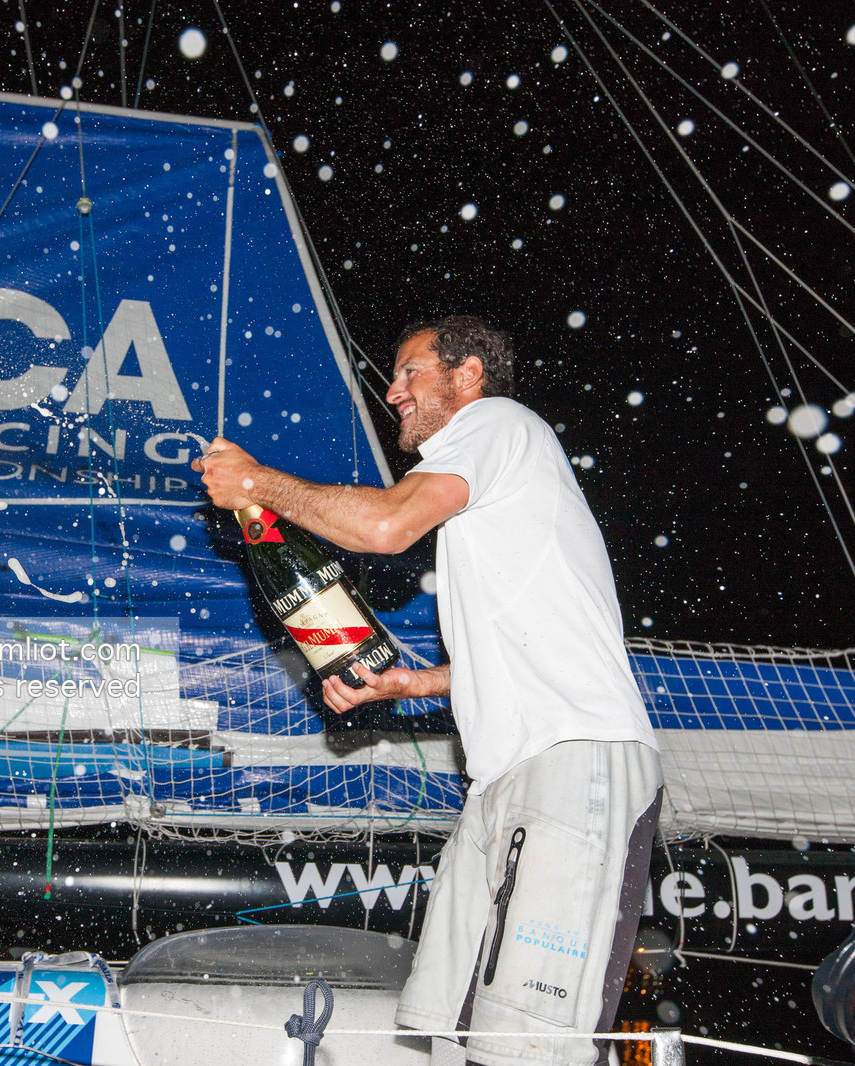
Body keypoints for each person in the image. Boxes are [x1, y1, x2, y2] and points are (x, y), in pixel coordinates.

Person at [193, 315, 662, 1066]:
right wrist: (408, 682)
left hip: (575, 758)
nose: (392, 391)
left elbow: (385, 526)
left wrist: (256, 483)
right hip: (500, 778)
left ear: (468, 374)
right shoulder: (496, 488)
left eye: (410, 371)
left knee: (528, 1041)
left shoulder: (498, 422)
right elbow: (517, 648)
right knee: (446, 1024)